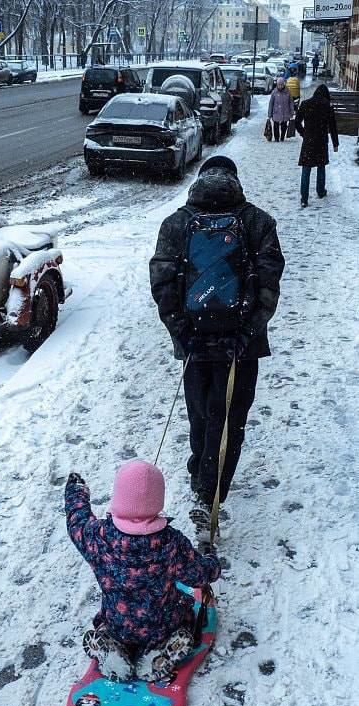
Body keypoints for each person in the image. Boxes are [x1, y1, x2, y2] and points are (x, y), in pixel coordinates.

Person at [149, 156, 285, 541]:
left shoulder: (176, 224)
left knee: (201, 415)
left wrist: (181, 332)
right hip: (241, 345)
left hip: (196, 343)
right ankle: (211, 494)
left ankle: (201, 480)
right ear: (235, 182)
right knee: (230, 420)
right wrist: (248, 332)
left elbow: (162, 283)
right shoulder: (258, 222)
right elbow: (269, 286)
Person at [65, 461, 221, 682]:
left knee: (110, 625)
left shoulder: (96, 536)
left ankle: (111, 645)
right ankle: (161, 650)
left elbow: (76, 521)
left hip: (117, 623)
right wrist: (211, 560)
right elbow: (200, 575)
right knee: (185, 618)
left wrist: (76, 492)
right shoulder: (171, 543)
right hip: (162, 625)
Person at [295, 83, 338, 208]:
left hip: (309, 141)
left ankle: (304, 198)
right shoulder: (327, 106)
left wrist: (304, 134)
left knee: (306, 169)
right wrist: (335, 143)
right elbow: (333, 127)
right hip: (321, 141)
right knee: (321, 166)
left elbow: (297, 122)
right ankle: (320, 191)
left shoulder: (305, 104)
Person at [268, 77, 295, 142]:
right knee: (276, 126)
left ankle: (282, 137)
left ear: (284, 84)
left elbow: (291, 102)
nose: (280, 86)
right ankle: (276, 138)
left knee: (284, 126)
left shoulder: (287, 92)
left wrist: (292, 112)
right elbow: (271, 103)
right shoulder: (274, 92)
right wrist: (269, 114)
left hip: (285, 112)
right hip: (276, 112)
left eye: (281, 84)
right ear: (277, 85)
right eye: (279, 85)